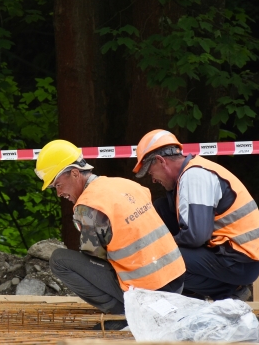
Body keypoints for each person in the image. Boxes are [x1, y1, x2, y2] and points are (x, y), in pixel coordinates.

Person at [35, 140, 186, 330]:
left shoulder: (89, 206)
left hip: (148, 294)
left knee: (59, 260)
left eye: (58, 185)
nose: (58, 193)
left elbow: (94, 258)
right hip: (176, 282)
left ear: (74, 173)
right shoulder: (125, 184)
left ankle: (122, 313)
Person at [133, 129, 259, 301]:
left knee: (162, 259)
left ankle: (228, 291)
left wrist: (159, 246)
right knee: (161, 208)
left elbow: (196, 236)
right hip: (231, 255)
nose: (152, 179)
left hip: (239, 263)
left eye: (150, 172)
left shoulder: (195, 176)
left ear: (161, 161)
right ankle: (207, 293)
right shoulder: (189, 174)